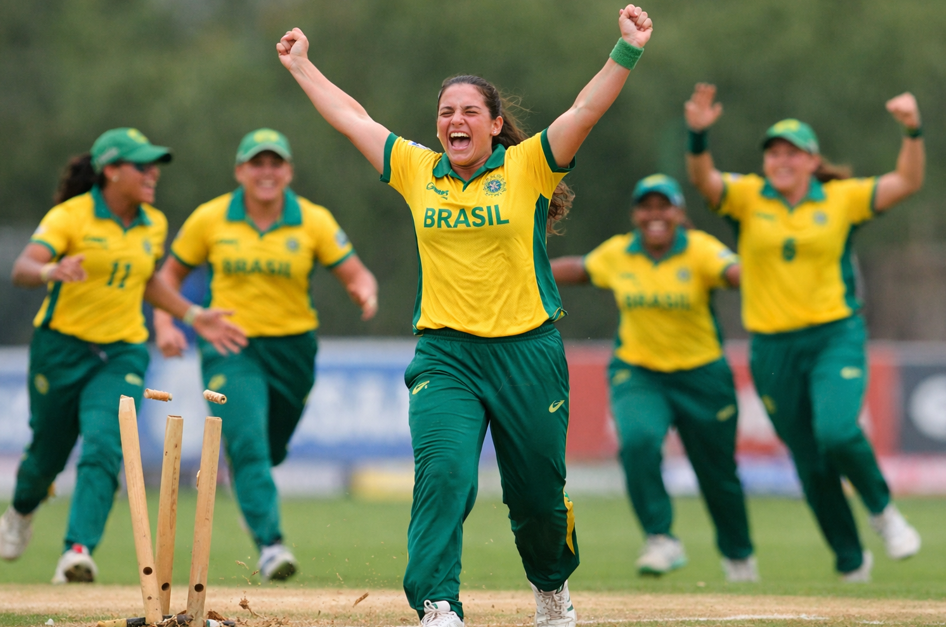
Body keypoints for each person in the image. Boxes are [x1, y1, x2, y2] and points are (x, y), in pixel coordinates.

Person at [276, 5, 652, 626]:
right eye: (447, 112)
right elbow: (353, 119)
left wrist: (627, 51)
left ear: (494, 123)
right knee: (446, 477)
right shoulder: (419, 170)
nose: (455, 120)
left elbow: (584, 111)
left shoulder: (529, 165)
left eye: (469, 111)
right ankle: (438, 603)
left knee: (535, 498)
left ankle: (552, 590)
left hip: (527, 352)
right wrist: (302, 66)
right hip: (446, 356)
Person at [684, 83, 925, 581]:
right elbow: (704, 181)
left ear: (814, 161)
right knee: (811, 462)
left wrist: (911, 129)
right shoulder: (750, 198)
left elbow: (906, 180)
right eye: (773, 152)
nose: (781, 160)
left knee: (836, 432)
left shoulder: (842, 199)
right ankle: (851, 560)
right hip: (772, 348)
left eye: (792, 152)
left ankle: (883, 512)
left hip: (833, 336)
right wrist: (698, 136)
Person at [0, 128, 246, 583]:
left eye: (156, 164)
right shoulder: (70, 217)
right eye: (142, 165)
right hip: (61, 349)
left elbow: (148, 281)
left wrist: (193, 315)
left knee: (104, 444)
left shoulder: (152, 223)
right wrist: (52, 268)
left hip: (121, 353)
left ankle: (77, 550)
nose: (153, 173)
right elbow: (22, 269)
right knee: (46, 457)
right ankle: (20, 511)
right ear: (111, 171)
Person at [152, 128, 378, 581]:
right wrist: (164, 324)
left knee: (269, 449)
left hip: (293, 351)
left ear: (289, 171)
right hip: (228, 346)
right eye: (257, 163)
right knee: (248, 443)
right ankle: (271, 544)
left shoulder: (312, 220)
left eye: (276, 163)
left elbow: (358, 273)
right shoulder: (211, 218)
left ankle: (250, 491)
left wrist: (363, 292)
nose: (267, 172)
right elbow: (167, 277)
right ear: (241, 171)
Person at [550, 174, 757, 582]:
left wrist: (766, 276)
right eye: (647, 207)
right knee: (639, 443)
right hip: (640, 372)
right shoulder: (620, 253)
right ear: (636, 214)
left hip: (703, 375)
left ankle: (739, 557)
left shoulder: (699, 250)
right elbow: (578, 269)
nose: (655, 215)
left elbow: (734, 273)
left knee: (718, 475)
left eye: (665, 207)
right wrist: (525, 269)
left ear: (679, 213)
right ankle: (661, 537)